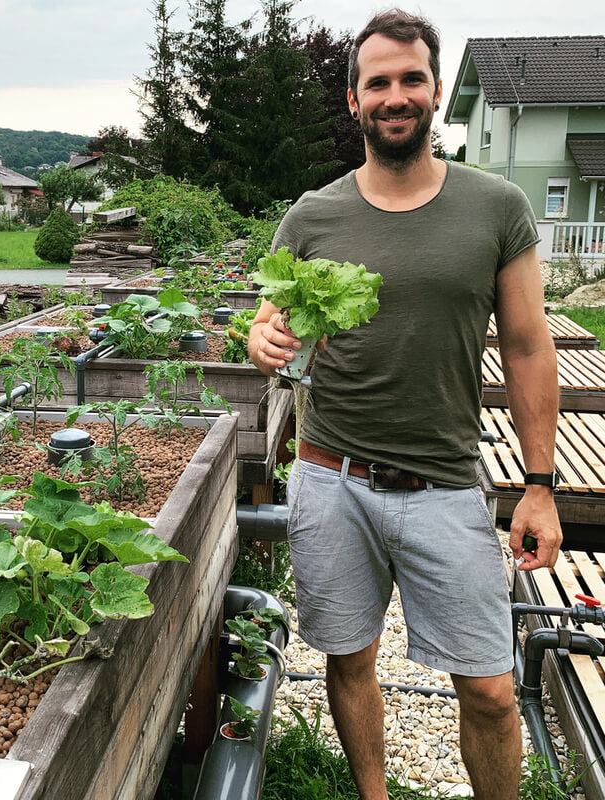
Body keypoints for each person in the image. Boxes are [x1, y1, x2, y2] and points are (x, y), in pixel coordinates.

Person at [248, 8, 563, 800]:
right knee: (349, 661)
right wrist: (262, 339)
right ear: (354, 100)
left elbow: (529, 346)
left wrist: (540, 484)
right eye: (377, 81)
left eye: (410, 79)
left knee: (490, 690)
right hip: (329, 477)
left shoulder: (495, 208)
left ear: (434, 90)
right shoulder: (313, 214)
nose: (396, 95)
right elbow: (268, 316)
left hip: (446, 484)